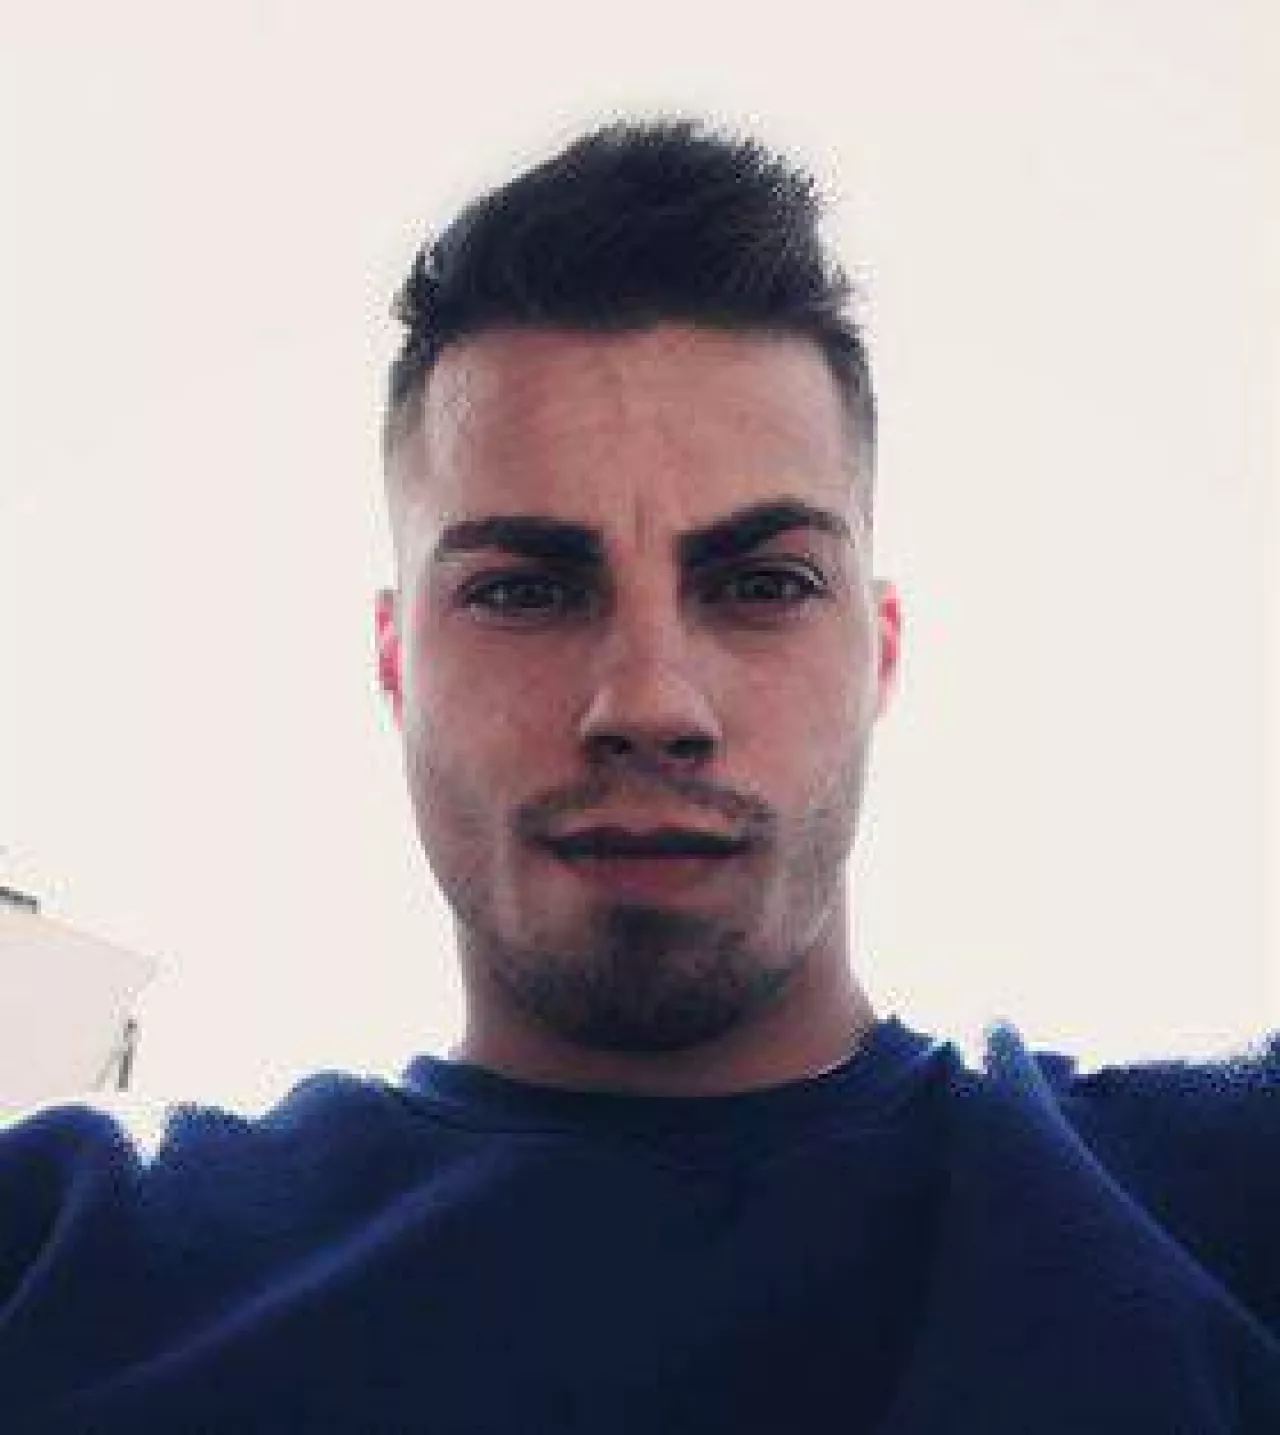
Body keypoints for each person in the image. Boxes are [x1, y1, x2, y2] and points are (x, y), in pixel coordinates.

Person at [1, 117, 1276, 1433]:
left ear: (881, 649)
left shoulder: (1227, 1198)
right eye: (526, 589)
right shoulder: (59, 1256)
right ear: (395, 659)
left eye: (763, 584)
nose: (651, 702)